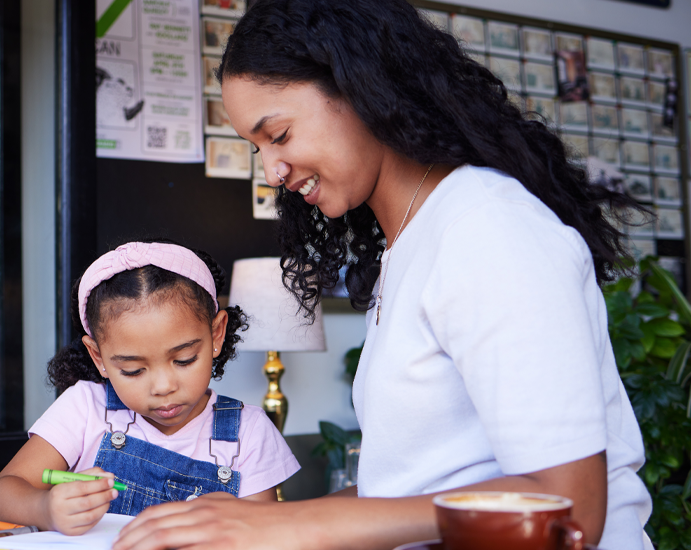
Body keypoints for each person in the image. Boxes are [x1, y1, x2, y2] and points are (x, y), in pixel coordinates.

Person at [111, 1, 653, 549]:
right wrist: (248, 524)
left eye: (278, 135)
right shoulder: (409, 245)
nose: (272, 170)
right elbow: (405, 491)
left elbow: (566, 504)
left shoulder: (489, 227)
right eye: (258, 149)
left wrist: (294, 525)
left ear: (360, 88)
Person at [0, 240, 300, 535]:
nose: (163, 387)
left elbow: (263, 535)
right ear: (99, 357)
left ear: (216, 334)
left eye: (184, 360)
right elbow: (3, 493)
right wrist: (46, 509)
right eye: (134, 370)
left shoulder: (250, 432)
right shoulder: (85, 408)